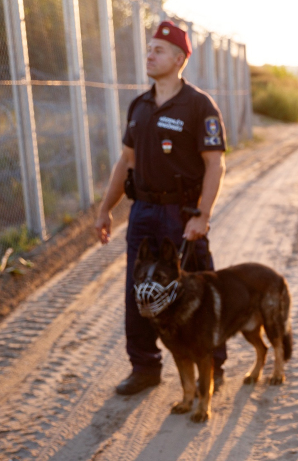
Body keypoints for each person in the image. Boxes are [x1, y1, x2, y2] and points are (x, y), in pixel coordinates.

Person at [94, 21, 228, 396]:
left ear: (180, 58)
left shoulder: (199, 105)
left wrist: (202, 214)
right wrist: (106, 209)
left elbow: (215, 163)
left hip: (182, 215)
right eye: (148, 49)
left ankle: (212, 366)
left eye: (158, 50)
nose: (149, 55)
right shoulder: (139, 106)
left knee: (198, 289)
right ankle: (144, 367)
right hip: (143, 213)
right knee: (138, 290)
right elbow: (126, 162)